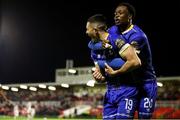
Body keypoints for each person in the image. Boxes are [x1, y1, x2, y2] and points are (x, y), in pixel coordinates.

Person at [95, 2, 158, 119]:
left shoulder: (137, 36)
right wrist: (100, 70)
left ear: (130, 16)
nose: (116, 16)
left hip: (146, 83)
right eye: (115, 14)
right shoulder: (112, 30)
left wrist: (114, 70)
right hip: (129, 84)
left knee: (144, 117)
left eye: (120, 13)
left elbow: (129, 61)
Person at [86, 14, 141, 119]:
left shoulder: (117, 40)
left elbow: (135, 61)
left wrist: (117, 72)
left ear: (95, 30)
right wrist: (99, 78)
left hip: (127, 89)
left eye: (87, 29)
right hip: (110, 92)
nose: (86, 32)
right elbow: (101, 74)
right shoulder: (94, 50)